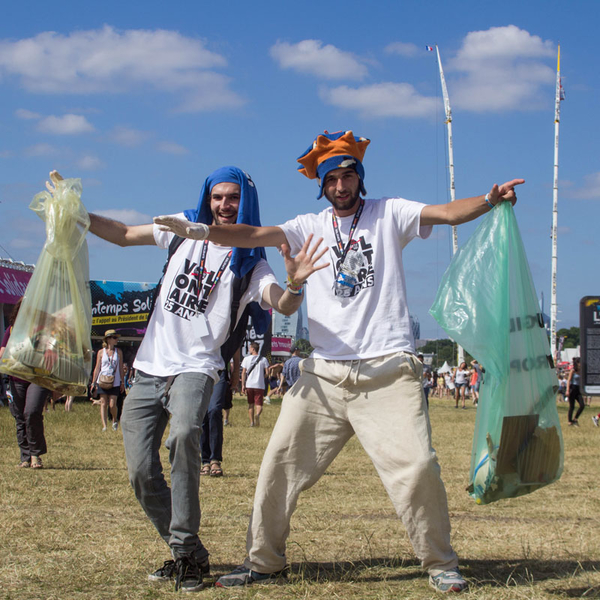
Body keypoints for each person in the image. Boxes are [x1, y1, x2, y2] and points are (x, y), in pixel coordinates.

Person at [158, 130, 523, 594]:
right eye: (332, 178)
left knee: (417, 468)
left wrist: (489, 200)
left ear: (359, 178)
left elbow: (447, 213)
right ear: (322, 184)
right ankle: (264, 561)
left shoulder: (390, 213)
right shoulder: (308, 225)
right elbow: (252, 234)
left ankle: (440, 562)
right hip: (323, 375)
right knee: (277, 464)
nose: (341, 185)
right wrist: (200, 231)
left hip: (388, 371)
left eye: (348, 175)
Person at [49, 166, 327, 592]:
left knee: (182, 435)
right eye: (217, 197)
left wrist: (295, 285)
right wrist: (77, 215)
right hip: (148, 367)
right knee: (141, 470)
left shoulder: (251, 263)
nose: (224, 205)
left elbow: (282, 305)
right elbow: (124, 234)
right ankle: (189, 551)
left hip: (197, 367)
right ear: (207, 199)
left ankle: (185, 557)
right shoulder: (181, 229)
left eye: (233, 197)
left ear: (246, 202)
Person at [0, 298, 52, 469]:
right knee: (19, 417)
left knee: (31, 412)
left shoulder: (42, 331)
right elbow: (2, 351)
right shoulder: (12, 330)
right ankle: (25, 457)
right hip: (15, 379)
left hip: (37, 378)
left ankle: (36, 454)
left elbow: (50, 353)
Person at [200, 349, 240, 477]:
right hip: (198, 368)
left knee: (214, 410)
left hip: (219, 369)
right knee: (203, 413)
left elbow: (236, 345)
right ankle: (205, 461)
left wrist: (235, 371)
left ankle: (215, 459)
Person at [91, 330, 125, 431]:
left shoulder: (118, 352)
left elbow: (120, 368)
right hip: (102, 380)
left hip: (114, 381)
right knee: (103, 403)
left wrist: (122, 382)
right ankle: (104, 426)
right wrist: (93, 382)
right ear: (108, 339)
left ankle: (114, 420)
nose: (116, 340)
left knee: (112, 404)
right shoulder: (101, 352)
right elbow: (97, 368)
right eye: (114, 338)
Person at [241, 342, 270, 427]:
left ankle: (252, 423)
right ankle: (257, 415)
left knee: (250, 404)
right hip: (259, 385)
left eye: (250, 348)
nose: (249, 350)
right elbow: (267, 372)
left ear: (253, 349)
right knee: (259, 404)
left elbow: (243, 373)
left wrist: (243, 385)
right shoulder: (263, 359)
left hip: (249, 384)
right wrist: (262, 376)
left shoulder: (246, 359)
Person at [566, 357, 585, 426]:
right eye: (579, 363)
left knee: (582, 405)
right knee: (572, 406)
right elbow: (568, 380)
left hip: (578, 389)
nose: (580, 364)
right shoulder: (573, 370)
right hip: (572, 388)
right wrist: (567, 390)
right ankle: (570, 421)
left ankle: (575, 418)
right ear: (577, 363)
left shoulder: (582, 371)